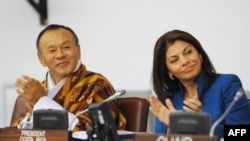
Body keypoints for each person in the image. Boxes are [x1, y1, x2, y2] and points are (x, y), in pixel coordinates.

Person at [11, 24, 126, 131]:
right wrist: (32, 116)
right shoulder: (40, 89)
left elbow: (91, 132)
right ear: (41, 59)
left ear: (78, 51)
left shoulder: (97, 84)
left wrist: (42, 102)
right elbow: (14, 133)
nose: (60, 55)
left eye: (66, 47)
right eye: (52, 50)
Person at [148, 29, 250, 137]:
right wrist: (172, 128)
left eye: (188, 52)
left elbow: (241, 134)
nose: (184, 61)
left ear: (200, 54)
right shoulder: (166, 100)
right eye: (174, 60)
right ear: (168, 71)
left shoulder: (227, 84)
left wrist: (201, 124)